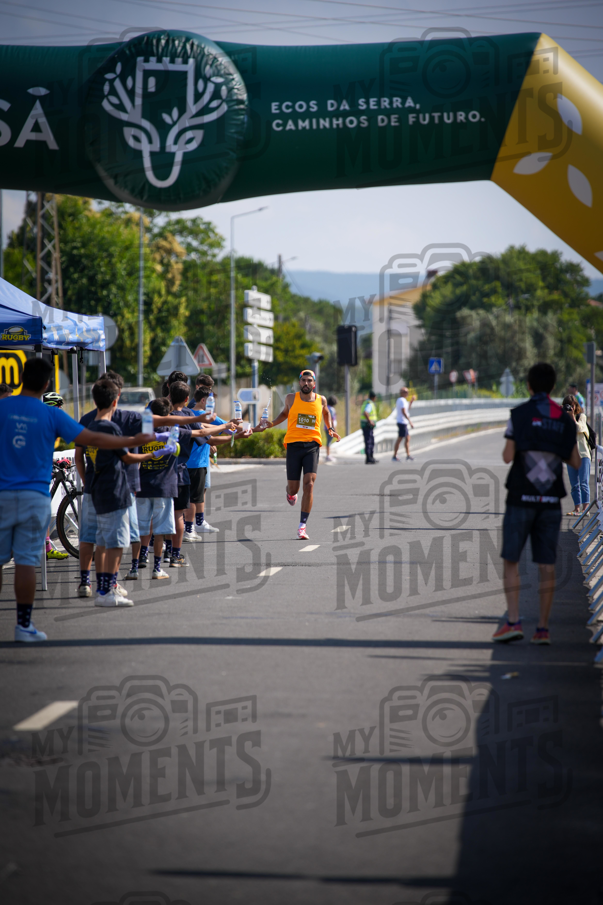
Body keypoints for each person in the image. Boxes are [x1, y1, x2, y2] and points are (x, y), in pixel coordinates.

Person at [0, 358, 154, 642]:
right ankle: (23, 626)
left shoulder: (2, 406)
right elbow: (93, 439)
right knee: (24, 562)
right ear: (47, 384)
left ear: (21, 377)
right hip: (34, 496)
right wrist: (132, 442)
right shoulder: (52, 415)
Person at [75, 370, 210, 597]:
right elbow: (162, 421)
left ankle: (85, 582)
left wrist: (89, 480)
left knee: (90, 538)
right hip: (121, 490)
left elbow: (79, 456)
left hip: (92, 489)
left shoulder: (86, 420)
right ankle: (109, 585)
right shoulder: (125, 418)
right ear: (117, 396)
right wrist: (195, 419)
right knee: (115, 541)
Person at [492, 362, 580, 646]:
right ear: (553, 387)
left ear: (528, 386)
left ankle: (514, 622)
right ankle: (542, 629)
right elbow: (576, 461)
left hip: (520, 498)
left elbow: (507, 456)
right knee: (546, 564)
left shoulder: (518, 415)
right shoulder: (564, 419)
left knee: (511, 561)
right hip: (550, 500)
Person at [87, 379, 163, 606]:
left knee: (102, 543)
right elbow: (128, 457)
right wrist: (153, 453)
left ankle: (103, 589)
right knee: (117, 543)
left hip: (99, 490)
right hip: (115, 491)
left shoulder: (91, 426)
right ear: (115, 400)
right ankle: (108, 591)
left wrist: (145, 439)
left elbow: (129, 444)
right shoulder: (111, 428)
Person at [257, 369, 340, 539]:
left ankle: (302, 525)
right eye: (303, 380)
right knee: (294, 488)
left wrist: (330, 428)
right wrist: (271, 424)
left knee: (309, 484)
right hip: (294, 445)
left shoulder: (321, 400)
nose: (306, 383)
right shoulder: (291, 398)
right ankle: (290, 492)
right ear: (299, 382)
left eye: (310, 381)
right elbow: (285, 413)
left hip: (312, 445)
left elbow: (326, 413)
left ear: (314, 384)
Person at [563, 394, 591, 515]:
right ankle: (577, 509)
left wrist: (572, 417)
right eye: (568, 405)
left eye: (572, 405)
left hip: (583, 454)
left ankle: (586, 509)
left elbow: (579, 428)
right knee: (574, 485)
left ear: (576, 406)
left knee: (583, 482)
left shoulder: (582, 417)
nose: (571, 407)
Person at [392, 386, 415, 462]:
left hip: (403, 422)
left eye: (407, 392)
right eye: (405, 392)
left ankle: (407, 455)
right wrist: (410, 421)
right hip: (401, 422)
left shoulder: (404, 400)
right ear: (401, 393)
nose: (407, 393)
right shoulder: (401, 400)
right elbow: (403, 411)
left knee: (407, 438)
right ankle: (395, 455)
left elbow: (407, 409)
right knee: (400, 438)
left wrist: (411, 401)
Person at [361, 391, 378, 464]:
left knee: (369, 441)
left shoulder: (366, 402)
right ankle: (369, 458)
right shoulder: (369, 404)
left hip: (365, 425)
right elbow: (366, 412)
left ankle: (370, 457)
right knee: (369, 441)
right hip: (367, 425)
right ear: (374, 397)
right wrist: (370, 421)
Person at [325, 395, 338, 463]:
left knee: (328, 441)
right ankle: (328, 455)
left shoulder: (326, 407)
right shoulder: (332, 409)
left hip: (326, 427)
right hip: (330, 427)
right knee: (329, 441)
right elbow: (332, 420)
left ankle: (328, 455)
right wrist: (334, 429)